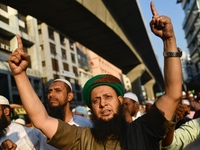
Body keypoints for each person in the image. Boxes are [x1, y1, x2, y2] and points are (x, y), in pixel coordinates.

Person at [8, 2, 182, 149]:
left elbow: (173, 94)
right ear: (91, 108)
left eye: (108, 97)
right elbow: (41, 119)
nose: (102, 103)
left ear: (120, 100)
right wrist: (20, 74)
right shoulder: (83, 139)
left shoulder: (143, 129)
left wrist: (169, 41)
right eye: (96, 100)